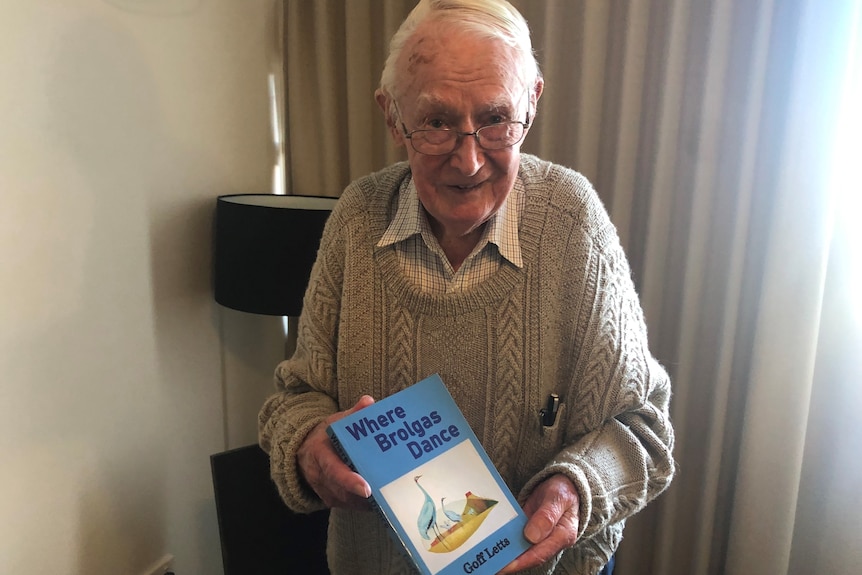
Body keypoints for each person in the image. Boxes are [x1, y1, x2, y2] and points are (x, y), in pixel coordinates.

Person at [258, 1, 675, 573]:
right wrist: (308, 446)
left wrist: (576, 487)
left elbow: (642, 427)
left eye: (497, 118)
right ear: (391, 115)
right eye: (436, 122)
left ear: (532, 103)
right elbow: (296, 396)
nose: (470, 159)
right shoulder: (358, 218)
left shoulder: (571, 220)